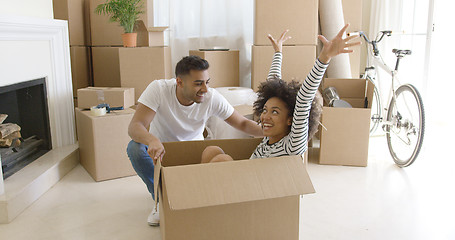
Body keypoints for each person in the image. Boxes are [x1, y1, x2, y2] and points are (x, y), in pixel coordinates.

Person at [127, 55, 263, 226]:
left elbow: (242, 123)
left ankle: (198, 198)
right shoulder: (158, 89)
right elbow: (135, 126)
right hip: (162, 153)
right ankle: (160, 199)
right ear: (179, 82)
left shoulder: (211, 97)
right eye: (198, 83)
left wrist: (269, 132)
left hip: (194, 152)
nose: (205, 89)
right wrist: (152, 140)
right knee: (135, 149)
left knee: (215, 154)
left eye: (207, 82)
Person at [201, 24, 360, 163]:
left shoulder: (292, 144)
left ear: (290, 120)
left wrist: (325, 57)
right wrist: (278, 52)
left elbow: (304, 98)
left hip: (260, 190)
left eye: (275, 112)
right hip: (248, 177)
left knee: (222, 159)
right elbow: (272, 84)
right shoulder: (268, 139)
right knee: (211, 150)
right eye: (265, 110)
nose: (265, 117)